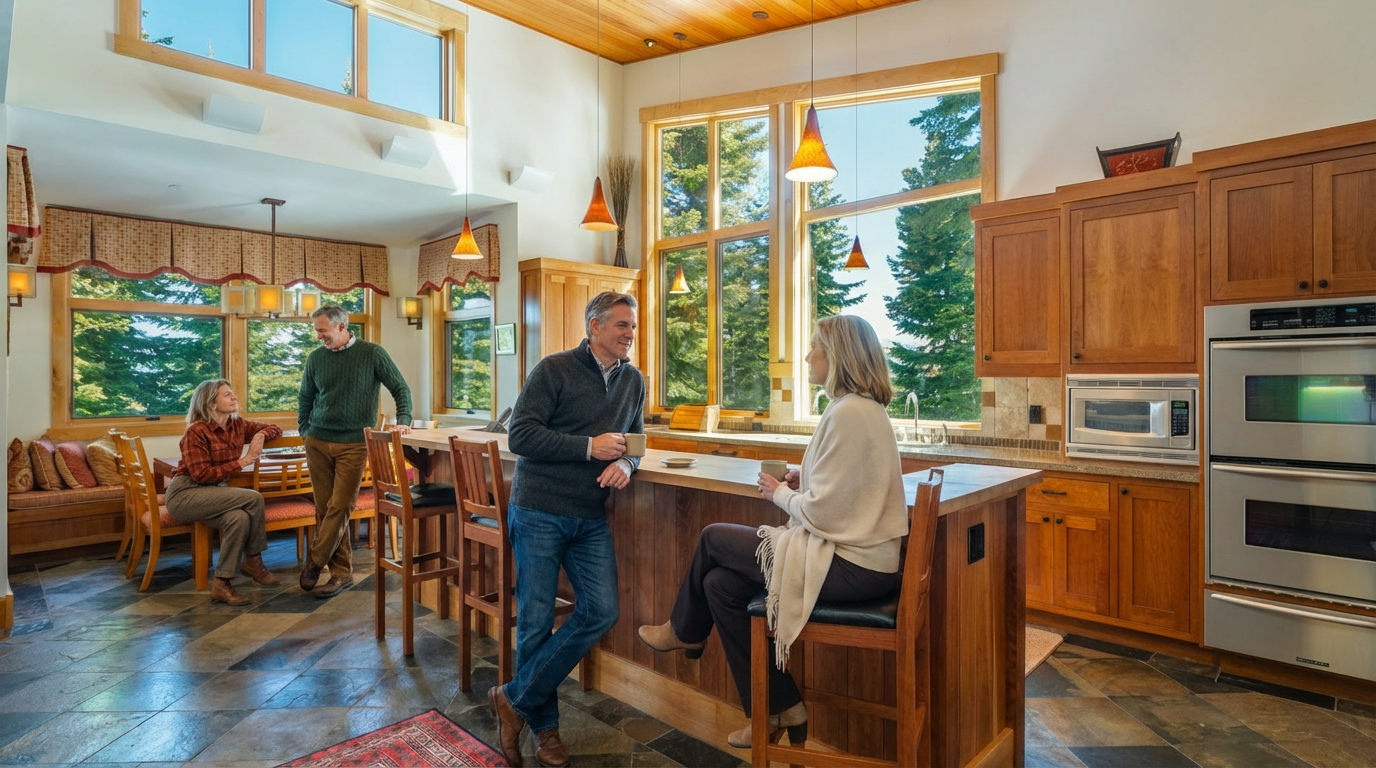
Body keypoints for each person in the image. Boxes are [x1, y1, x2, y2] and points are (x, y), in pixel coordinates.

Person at [638, 314, 909, 747]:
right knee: (720, 584)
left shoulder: (850, 413)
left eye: (814, 348)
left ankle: (684, 631)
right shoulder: (858, 409)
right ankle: (780, 707)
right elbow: (844, 493)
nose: (807, 356)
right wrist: (807, 477)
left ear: (835, 356)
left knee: (711, 537)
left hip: (854, 568)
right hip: (857, 561)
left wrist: (779, 493)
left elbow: (828, 515)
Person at [488, 291, 645, 768]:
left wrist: (630, 464)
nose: (629, 334)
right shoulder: (553, 369)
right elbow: (520, 436)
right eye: (621, 325)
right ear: (594, 326)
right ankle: (545, 731)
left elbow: (637, 439)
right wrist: (587, 448)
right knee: (535, 622)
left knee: (601, 611)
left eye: (632, 327)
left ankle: (513, 699)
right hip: (538, 509)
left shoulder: (633, 380)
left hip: (589, 515)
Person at [297, 304, 412, 599]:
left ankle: (316, 559)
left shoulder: (372, 353)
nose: (319, 336)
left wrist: (404, 421)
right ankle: (340, 574)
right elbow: (305, 397)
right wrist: (304, 431)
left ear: (341, 326)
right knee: (325, 509)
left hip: (355, 444)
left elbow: (401, 388)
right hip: (318, 442)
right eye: (317, 331)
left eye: (322, 330)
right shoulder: (316, 358)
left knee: (340, 506)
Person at [166, 379, 284, 606]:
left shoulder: (237, 425)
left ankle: (222, 583)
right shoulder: (196, 431)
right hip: (186, 493)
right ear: (211, 403)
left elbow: (275, 428)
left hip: (214, 492)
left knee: (238, 518)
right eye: (227, 395)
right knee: (254, 498)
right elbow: (200, 475)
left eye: (233, 393)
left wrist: (260, 436)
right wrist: (243, 461)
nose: (234, 398)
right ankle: (253, 561)